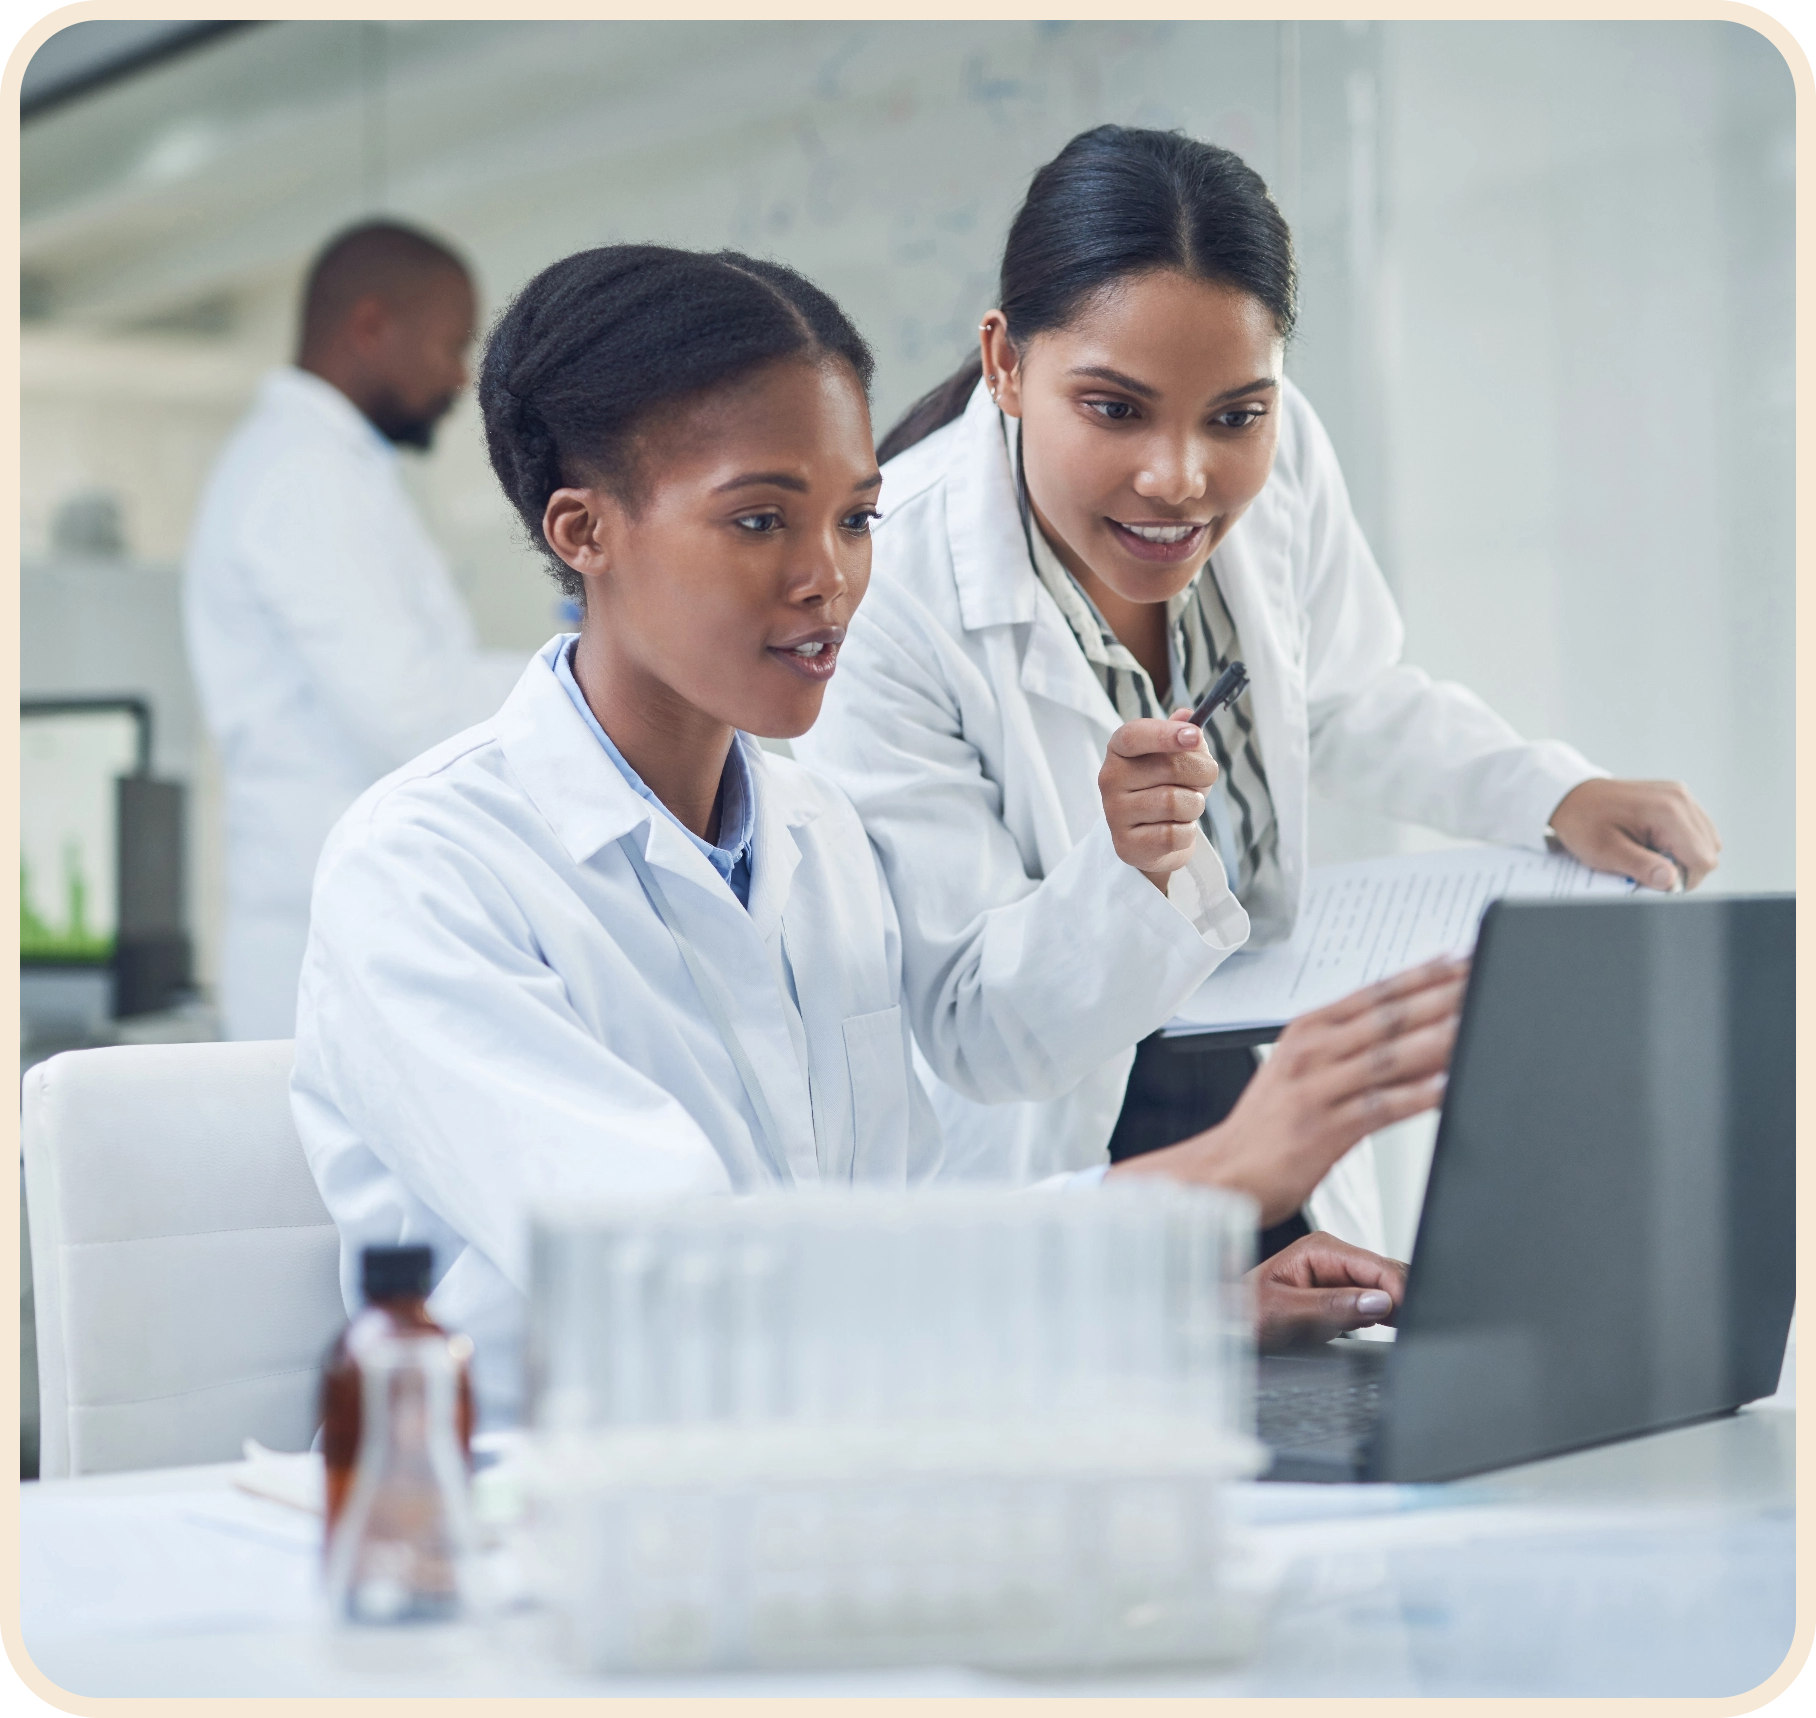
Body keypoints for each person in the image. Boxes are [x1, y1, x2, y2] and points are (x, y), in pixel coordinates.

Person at [290, 244, 1463, 1425]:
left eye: (856, 519)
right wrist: (1208, 1176)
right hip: (545, 1521)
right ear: (583, 530)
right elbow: (684, 1281)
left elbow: (894, 1248)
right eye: (760, 519)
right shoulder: (425, 870)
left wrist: (1176, 1306)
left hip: (820, 1480)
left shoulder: (815, 840)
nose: (828, 578)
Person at [793, 125, 1722, 1249]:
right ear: (1005, 362)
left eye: (1235, 414)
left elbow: (1337, 693)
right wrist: (1127, 869)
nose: (1181, 476)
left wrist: (1547, 793)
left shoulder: (1284, 457)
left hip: (1261, 1081)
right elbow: (976, 1027)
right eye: (1115, 408)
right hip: (1059, 1153)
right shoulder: (887, 584)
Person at [184, 221, 528, 1040]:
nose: (459, 376)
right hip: (324, 939)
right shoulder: (305, 476)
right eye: (451, 345)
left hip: (340, 924)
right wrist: (597, 672)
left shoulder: (321, 469)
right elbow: (406, 715)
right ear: (371, 328)